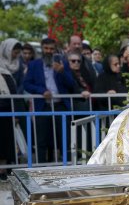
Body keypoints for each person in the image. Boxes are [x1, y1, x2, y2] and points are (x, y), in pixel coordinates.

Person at [24, 38, 76, 163]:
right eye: (46, 48)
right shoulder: (34, 65)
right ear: (42, 49)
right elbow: (27, 84)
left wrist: (63, 72)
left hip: (60, 106)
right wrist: (41, 91)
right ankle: (41, 169)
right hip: (43, 106)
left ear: (55, 49)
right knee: (41, 139)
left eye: (51, 48)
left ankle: (67, 167)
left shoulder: (63, 63)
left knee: (64, 139)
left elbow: (72, 85)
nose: (49, 51)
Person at [0, 39, 25, 176]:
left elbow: (20, 84)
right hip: (2, 107)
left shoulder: (18, 65)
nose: (16, 55)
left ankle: (5, 167)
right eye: (14, 52)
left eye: (17, 52)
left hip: (11, 108)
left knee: (8, 139)